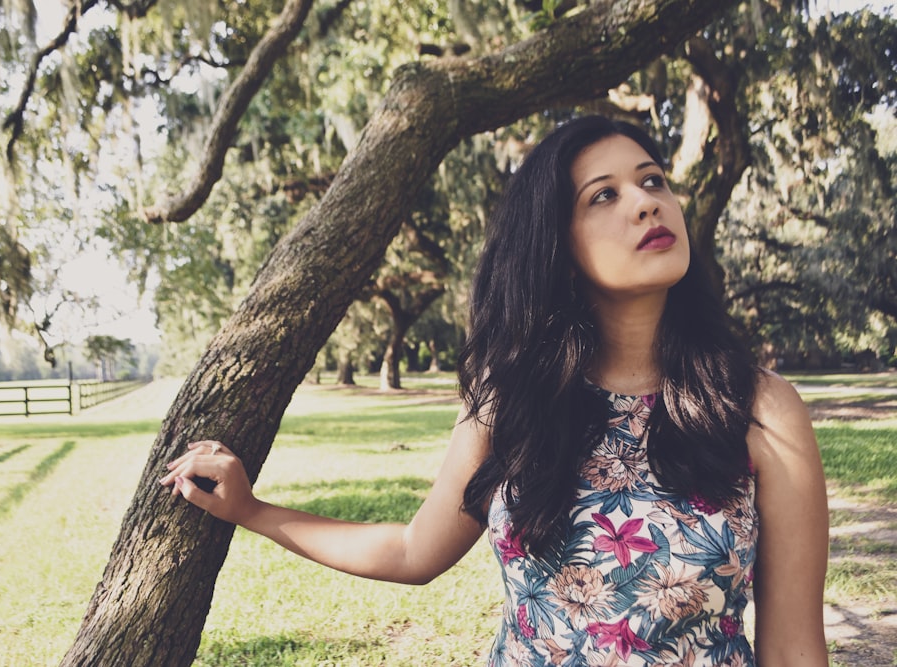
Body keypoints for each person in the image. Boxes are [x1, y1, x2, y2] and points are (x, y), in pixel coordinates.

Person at [160, 115, 829, 666]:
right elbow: (413, 551)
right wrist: (253, 509)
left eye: (652, 181)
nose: (646, 200)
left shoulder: (761, 410)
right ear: (556, 245)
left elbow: (795, 647)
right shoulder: (512, 399)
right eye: (604, 195)